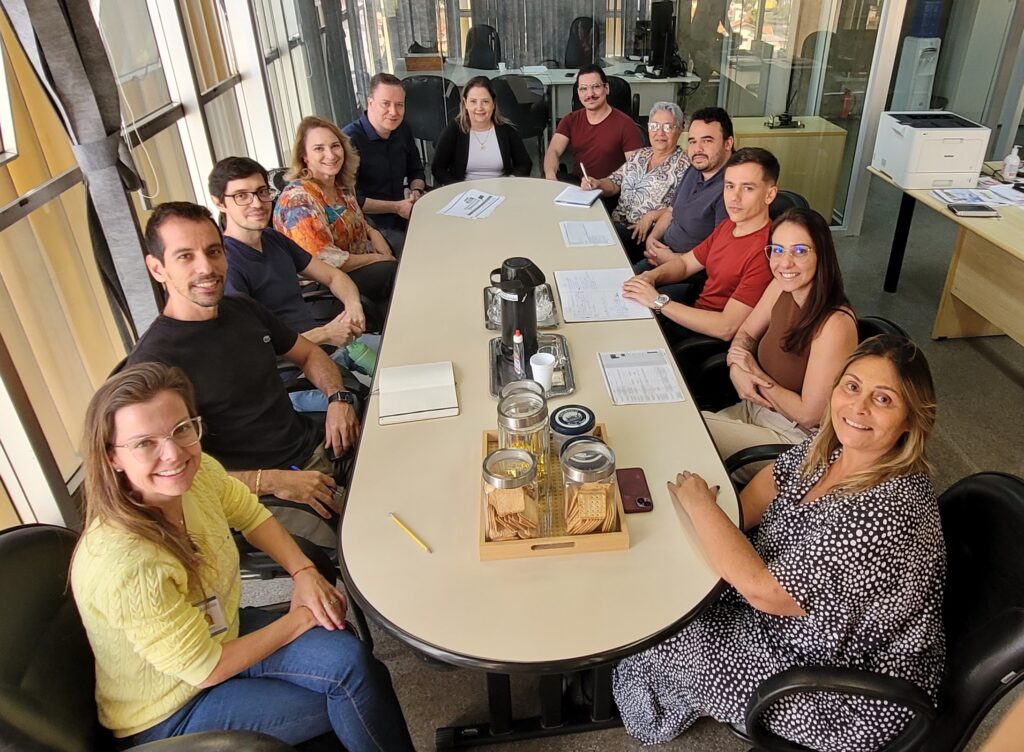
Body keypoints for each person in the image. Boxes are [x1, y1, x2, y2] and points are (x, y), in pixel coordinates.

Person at [614, 335, 945, 751]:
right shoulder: (833, 448)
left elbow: (765, 592)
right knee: (666, 580)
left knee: (664, 629)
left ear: (912, 419)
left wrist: (702, 507)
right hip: (787, 615)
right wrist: (716, 522)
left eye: (883, 400)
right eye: (852, 386)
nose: (858, 407)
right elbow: (757, 497)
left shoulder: (886, 510)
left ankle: (639, 710)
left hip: (842, 686)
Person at [70, 362, 414, 750]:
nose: (173, 454)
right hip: (170, 710)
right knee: (352, 689)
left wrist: (303, 572)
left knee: (352, 660)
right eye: (144, 443)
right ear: (112, 456)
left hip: (220, 630)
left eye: (182, 429)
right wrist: (300, 618)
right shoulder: (126, 563)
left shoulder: (196, 476)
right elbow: (206, 668)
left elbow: (251, 515)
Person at [128, 202, 356, 542]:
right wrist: (272, 481)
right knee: (364, 544)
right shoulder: (155, 366)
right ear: (157, 268)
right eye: (185, 256)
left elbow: (308, 354)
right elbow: (171, 475)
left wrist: (337, 399)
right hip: (263, 490)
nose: (206, 267)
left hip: (315, 445)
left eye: (213, 251)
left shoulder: (242, 310)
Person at [211, 156, 378, 413]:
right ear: (220, 203)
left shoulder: (273, 239)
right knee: (373, 405)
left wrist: (353, 306)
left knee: (402, 355)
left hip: (328, 350)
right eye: (242, 196)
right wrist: (324, 333)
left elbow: (334, 276)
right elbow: (257, 354)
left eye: (261, 192)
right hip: (294, 380)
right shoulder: (229, 267)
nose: (256, 203)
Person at [705, 208, 859, 473]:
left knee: (685, 429)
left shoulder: (834, 323)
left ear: (821, 254)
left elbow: (809, 414)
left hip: (793, 440)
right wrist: (736, 369)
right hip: (754, 409)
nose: (784, 263)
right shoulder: (780, 286)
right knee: (679, 434)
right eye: (777, 250)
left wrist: (752, 373)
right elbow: (745, 334)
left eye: (799, 251)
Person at [622, 147, 779, 342]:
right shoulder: (729, 225)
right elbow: (687, 264)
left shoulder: (767, 251)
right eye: (730, 186)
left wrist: (658, 301)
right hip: (694, 308)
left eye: (747, 188)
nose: (734, 197)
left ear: (769, 195)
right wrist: (650, 277)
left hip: (705, 338)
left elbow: (726, 327)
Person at [273, 116, 397, 309]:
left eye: (335, 146)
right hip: (324, 283)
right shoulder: (298, 201)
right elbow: (327, 259)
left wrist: (374, 233)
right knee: (395, 272)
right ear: (304, 156)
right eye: (319, 148)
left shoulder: (342, 185)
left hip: (357, 262)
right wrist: (377, 258)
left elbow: (356, 219)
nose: (331, 155)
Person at [580, 101, 689, 264]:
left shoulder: (685, 166)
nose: (659, 133)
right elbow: (615, 182)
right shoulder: (640, 155)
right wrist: (597, 183)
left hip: (643, 233)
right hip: (615, 222)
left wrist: (653, 215)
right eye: (654, 126)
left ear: (679, 130)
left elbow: (683, 208)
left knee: (593, 245)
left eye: (667, 127)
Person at [342, 72, 427, 255]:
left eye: (399, 105)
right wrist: (396, 207)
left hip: (405, 212)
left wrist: (416, 191)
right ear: (370, 103)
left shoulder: (403, 129)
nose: (394, 112)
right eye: (386, 104)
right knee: (416, 251)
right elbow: (353, 200)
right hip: (370, 225)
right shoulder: (349, 141)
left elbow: (416, 171)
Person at [641, 107, 734, 272]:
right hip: (662, 255)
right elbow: (670, 212)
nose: (697, 149)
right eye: (692, 141)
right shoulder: (695, 168)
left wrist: (672, 259)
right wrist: (652, 239)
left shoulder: (732, 188)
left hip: (691, 274)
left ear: (728, 143)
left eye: (707, 141)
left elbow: (719, 255)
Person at [543, 64, 644, 184]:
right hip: (579, 187)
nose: (590, 94)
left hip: (611, 190)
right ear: (578, 93)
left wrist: (602, 185)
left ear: (606, 88)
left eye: (596, 87)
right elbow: (553, 150)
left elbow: (635, 170)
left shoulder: (626, 125)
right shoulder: (570, 120)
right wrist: (550, 175)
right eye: (583, 88)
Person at [430, 76, 532, 186]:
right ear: (465, 103)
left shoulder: (506, 130)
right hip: (464, 192)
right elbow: (438, 168)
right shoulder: (454, 129)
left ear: (493, 104)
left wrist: (511, 181)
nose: (479, 107)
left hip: (502, 190)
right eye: (473, 101)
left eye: (485, 101)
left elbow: (525, 164)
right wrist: (457, 188)